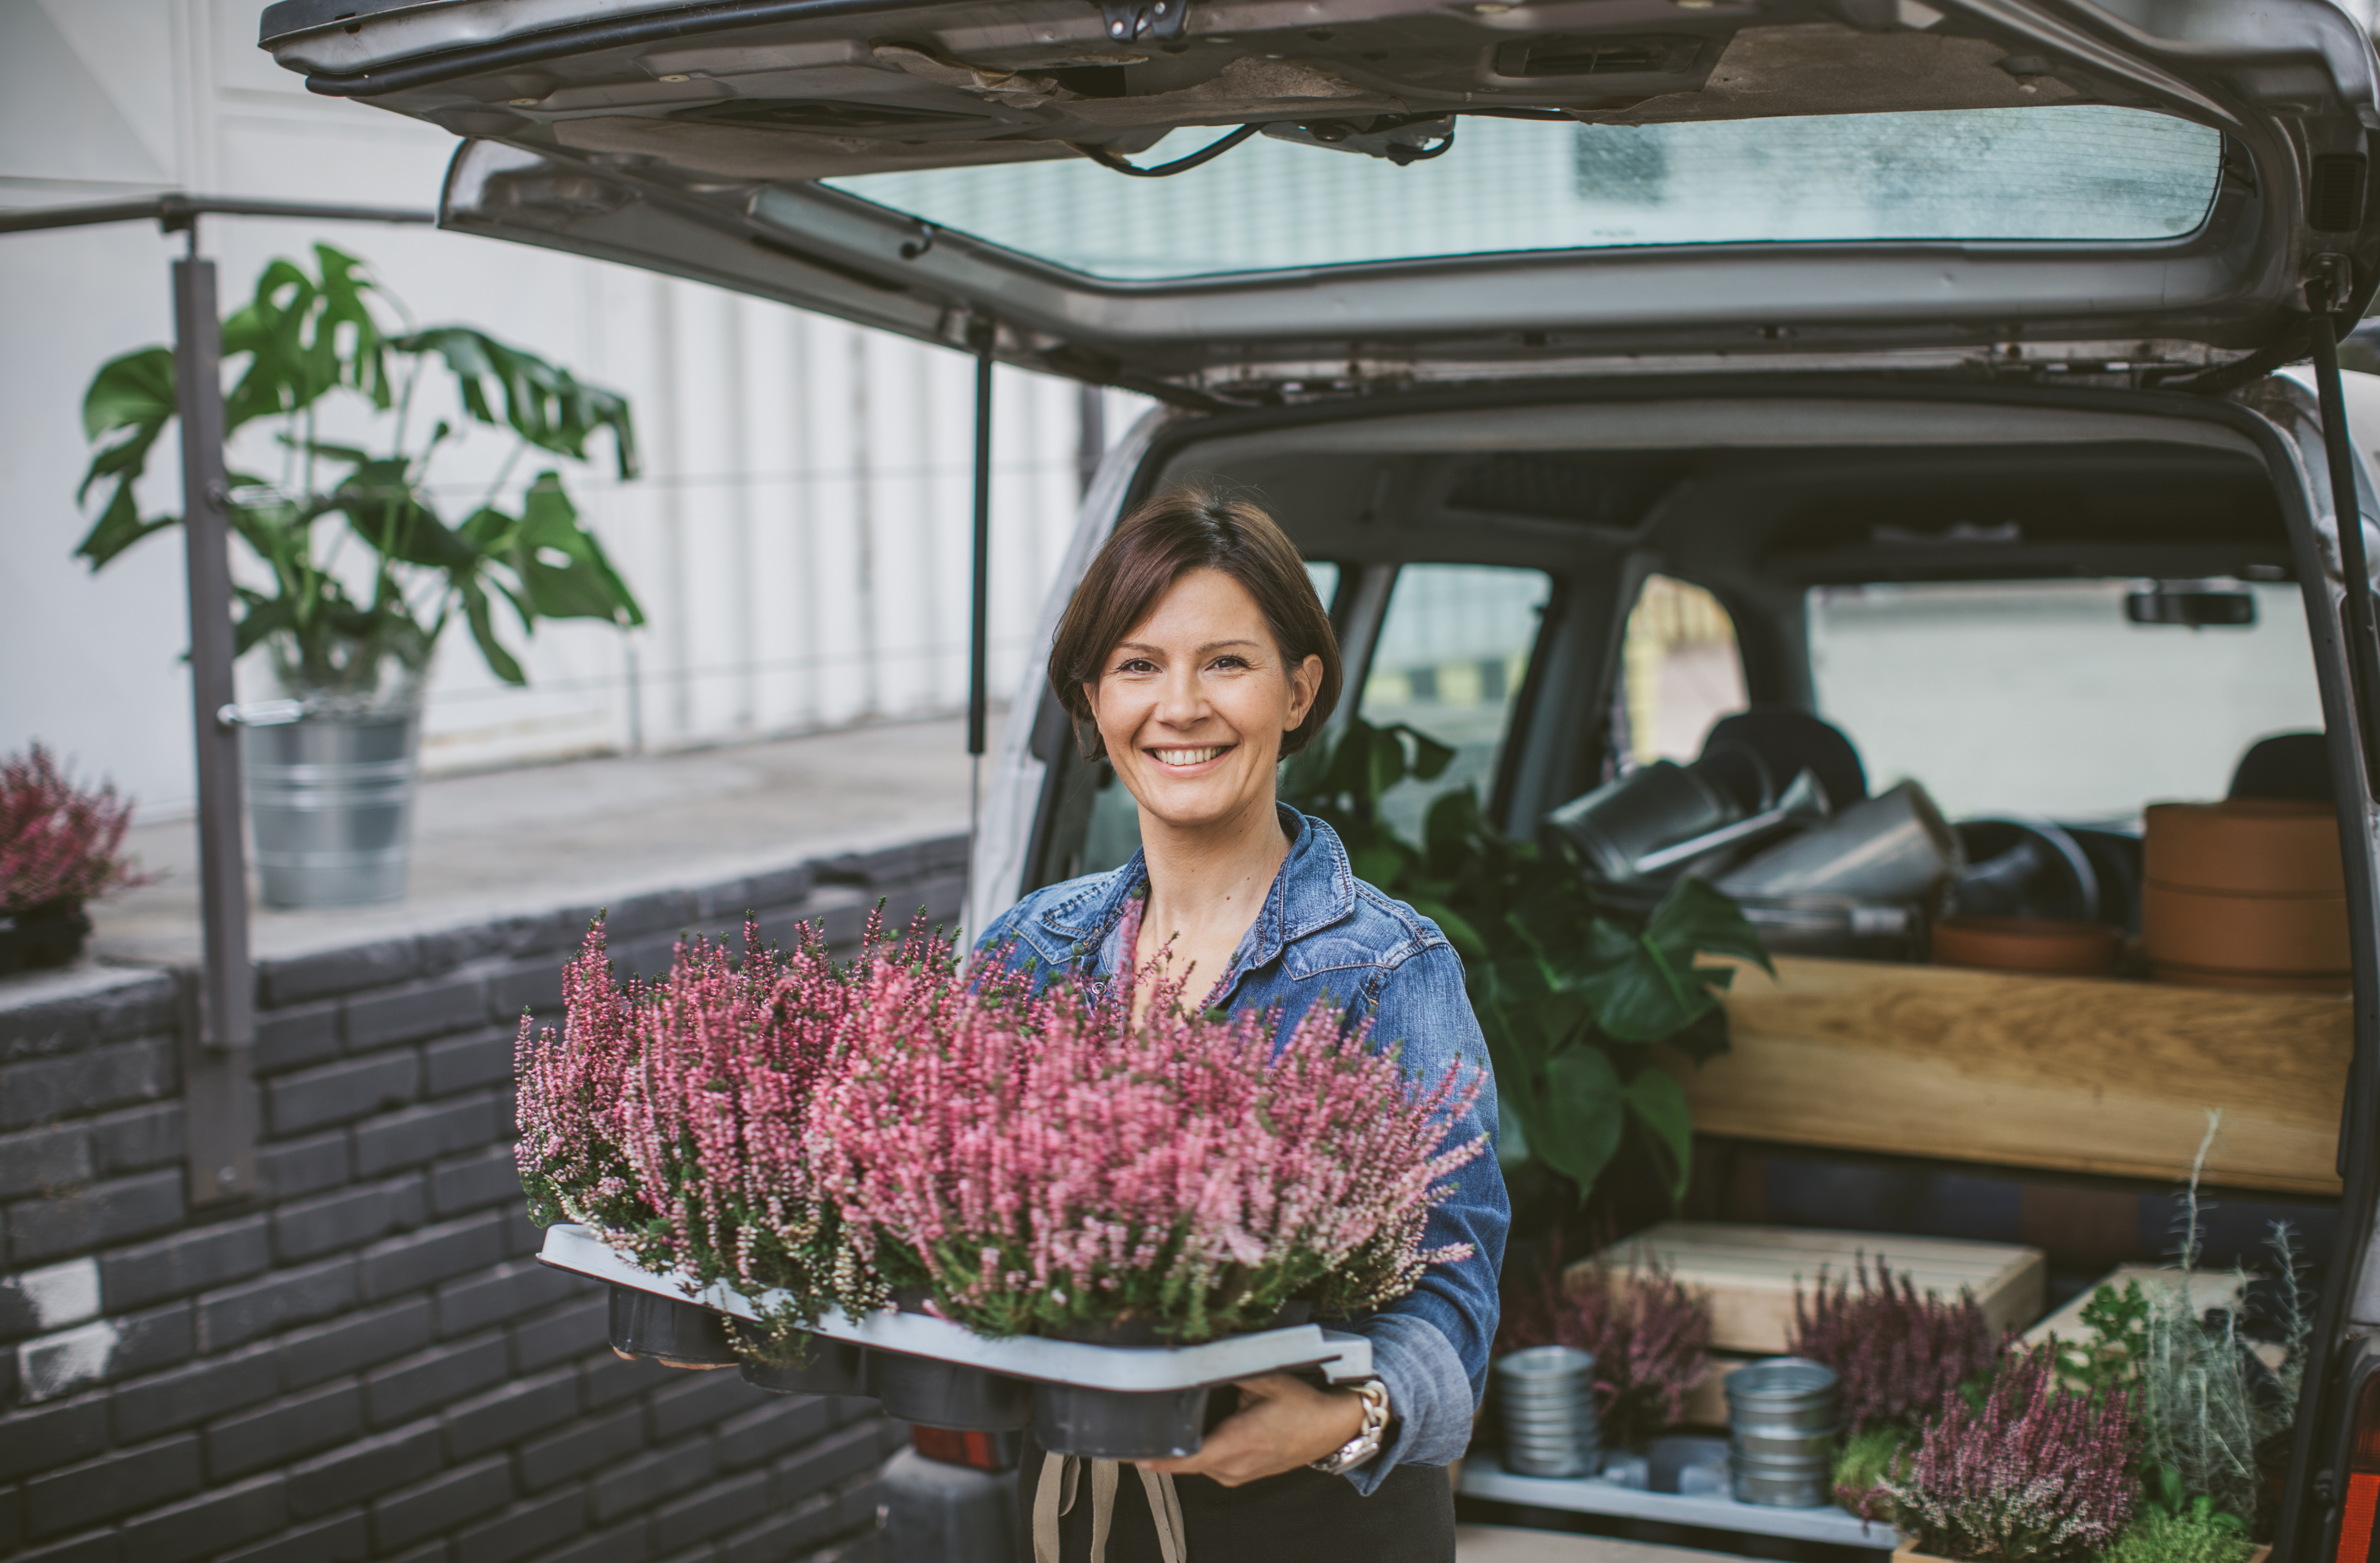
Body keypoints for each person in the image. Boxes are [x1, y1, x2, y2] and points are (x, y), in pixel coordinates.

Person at [974, 488, 1508, 1563]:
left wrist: (1347, 1419)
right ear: (1091, 696)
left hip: (1315, 1521)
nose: (1180, 706)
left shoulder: (1386, 967)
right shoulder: (1028, 952)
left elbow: (1455, 1285)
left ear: (1299, 689)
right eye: (1137, 665)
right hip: (1070, 1518)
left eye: (1226, 662)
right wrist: (750, 1300)